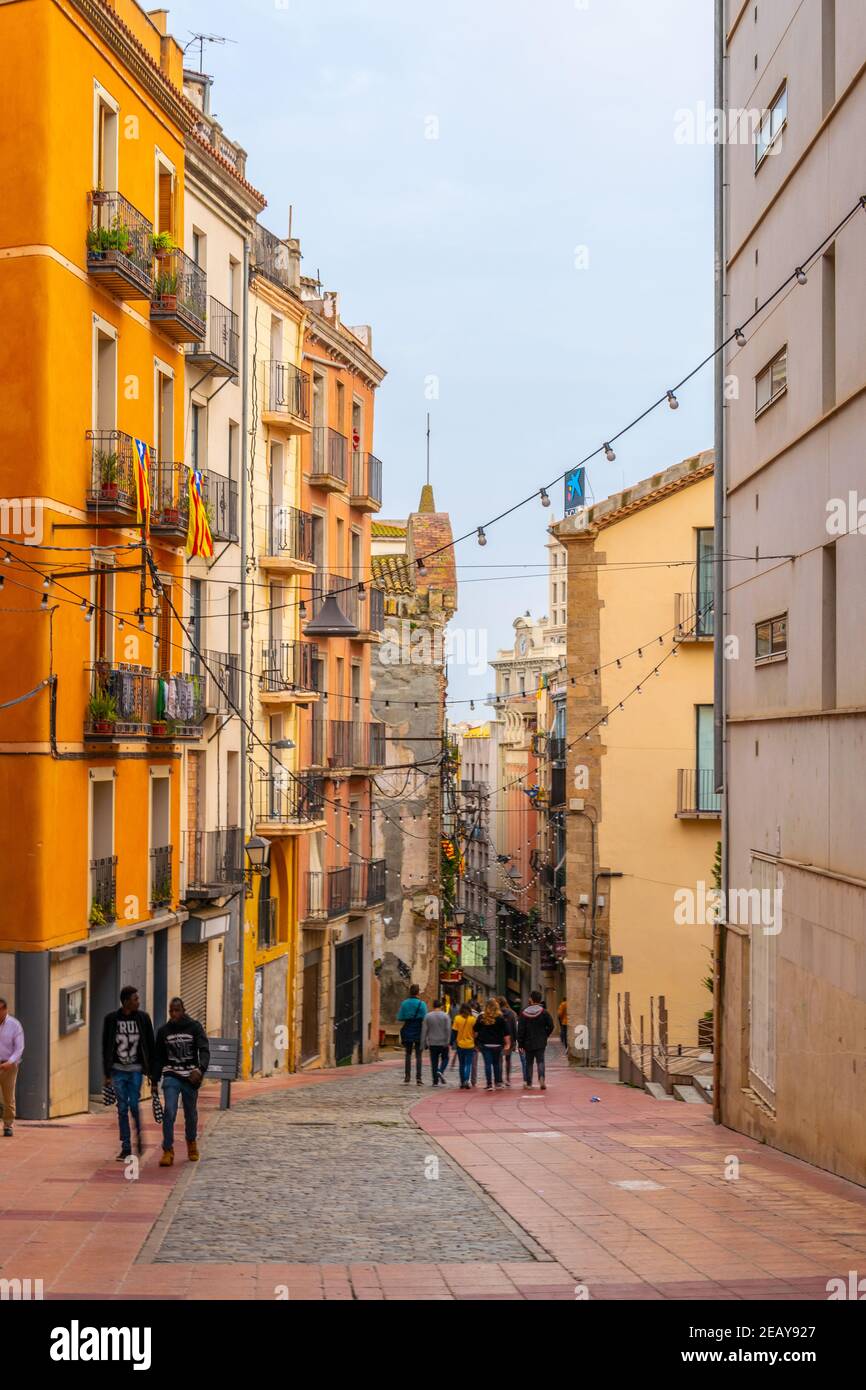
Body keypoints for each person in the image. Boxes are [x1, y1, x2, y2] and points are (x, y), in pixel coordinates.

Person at [152, 997, 209, 1166]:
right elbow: (158, 1058)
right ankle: (167, 1149)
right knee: (169, 1111)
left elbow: (204, 1050)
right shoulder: (164, 1031)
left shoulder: (194, 1027)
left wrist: (200, 1069)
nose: (174, 1014)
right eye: (171, 1011)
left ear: (183, 1010)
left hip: (190, 1077)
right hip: (171, 1075)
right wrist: (154, 1081)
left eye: (177, 1010)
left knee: (190, 1114)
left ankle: (191, 1142)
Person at [102, 985, 155, 1161]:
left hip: (135, 1070)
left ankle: (138, 1136)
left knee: (133, 1105)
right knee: (122, 1108)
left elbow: (150, 1044)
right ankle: (126, 1147)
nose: (138, 1002)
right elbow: (106, 1046)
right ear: (125, 1002)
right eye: (135, 999)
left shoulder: (143, 1018)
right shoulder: (111, 1019)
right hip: (117, 1071)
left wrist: (152, 1072)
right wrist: (107, 1074)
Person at [518, 990, 555, 1090]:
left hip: (527, 1042)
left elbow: (520, 1030)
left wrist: (520, 1044)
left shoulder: (524, 1013)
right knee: (540, 1061)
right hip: (540, 1041)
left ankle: (529, 1083)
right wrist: (545, 1035)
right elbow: (551, 1026)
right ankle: (542, 1078)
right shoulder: (544, 1012)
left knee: (529, 1062)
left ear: (531, 999)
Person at [0, 998, 24, 1137]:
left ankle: (8, 1125)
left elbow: (19, 1047)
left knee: (8, 1098)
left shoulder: (15, 1025)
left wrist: (10, 1062)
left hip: (9, 1066)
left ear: (5, 1010)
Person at [473, 997, 509, 1090]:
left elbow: (475, 1031)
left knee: (487, 1064)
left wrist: (476, 1042)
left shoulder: (481, 1017)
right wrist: (507, 1044)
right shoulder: (500, 1018)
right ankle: (497, 1083)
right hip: (497, 1044)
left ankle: (489, 1084)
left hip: (485, 1044)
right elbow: (506, 1032)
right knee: (496, 1064)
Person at [397, 985, 427, 1085]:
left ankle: (407, 1076)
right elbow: (425, 1018)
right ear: (418, 993)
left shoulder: (404, 1003)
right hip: (419, 1029)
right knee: (419, 1055)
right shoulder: (422, 1004)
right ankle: (418, 1078)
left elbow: (400, 1017)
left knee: (408, 1054)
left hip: (408, 1028)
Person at [421, 999, 451, 1085]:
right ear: (441, 1006)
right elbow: (448, 1029)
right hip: (443, 1042)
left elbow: (424, 1030)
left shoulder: (427, 1016)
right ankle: (440, 1070)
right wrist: (448, 1041)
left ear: (433, 1006)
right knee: (445, 1058)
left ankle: (435, 1081)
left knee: (434, 1062)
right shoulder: (445, 1016)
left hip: (432, 1042)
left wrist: (423, 1043)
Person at [451, 1002, 477, 1089]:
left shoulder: (457, 1018)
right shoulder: (472, 1019)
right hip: (470, 1044)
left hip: (460, 1044)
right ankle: (466, 1080)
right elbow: (475, 1032)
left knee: (461, 1064)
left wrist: (452, 1042)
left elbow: (454, 1032)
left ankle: (462, 1082)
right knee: (468, 1064)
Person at [497, 996, 521, 1087]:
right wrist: (515, 1041)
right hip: (509, 1040)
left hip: (498, 1040)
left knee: (499, 1060)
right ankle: (508, 1079)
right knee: (508, 1059)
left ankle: (499, 1079)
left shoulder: (496, 1014)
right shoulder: (512, 1014)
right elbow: (515, 1028)